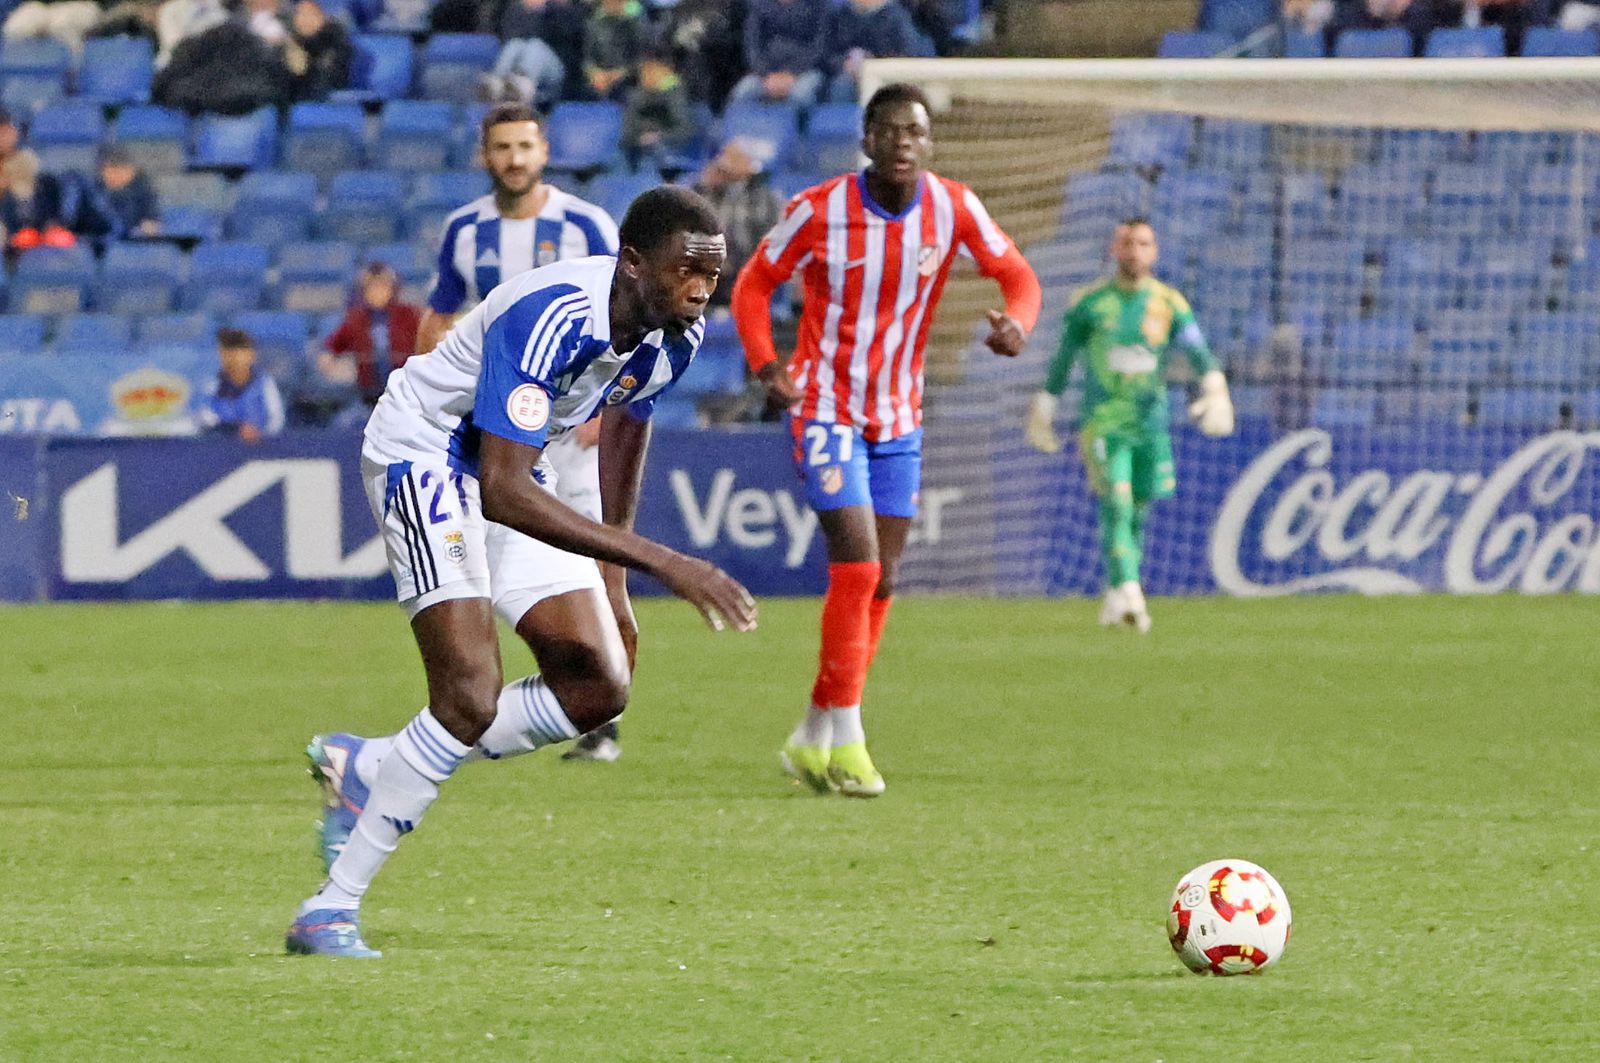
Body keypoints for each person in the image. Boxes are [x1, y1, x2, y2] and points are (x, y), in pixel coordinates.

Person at [285, 187, 756, 958]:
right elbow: (502, 489)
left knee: (600, 684)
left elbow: (627, 426)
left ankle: (368, 765)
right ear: (633, 263)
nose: (703, 289)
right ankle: (329, 909)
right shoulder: (555, 312)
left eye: (713, 273)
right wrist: (666, 560)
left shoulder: (678, 333)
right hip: (427, 451)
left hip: (508, 471)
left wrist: (614, 570)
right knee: (468, 693)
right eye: (687, 271)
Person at [731, 82, 1041, 798]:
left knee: (885, 578)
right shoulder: (817, 211)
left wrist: (1018, 323)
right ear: (867, 140)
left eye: (917, 131)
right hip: (825, 406)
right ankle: (850, 737)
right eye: (891, 130)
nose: (905, 141)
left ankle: (813, 731)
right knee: (860, 565)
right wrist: (765, 363)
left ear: (929, 143)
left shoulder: (954, 207)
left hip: (898, 416)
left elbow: (1016, 274)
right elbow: (753, 284)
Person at [420, 101, 628, 761]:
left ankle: (600, 717)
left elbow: (624, 324)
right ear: (485, 156)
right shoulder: (464, 231)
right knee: (482, 571)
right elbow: (437, 318)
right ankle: (487, 704)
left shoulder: (585, 225)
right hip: (488, 439)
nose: (515, 158)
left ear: (544, 153)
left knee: (600, 568)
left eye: (525, 146)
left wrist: (603, 406)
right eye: (502, 147)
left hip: (566, 435)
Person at [1023, 218, 1234, 633]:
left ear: (1154, 252)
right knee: (1116, 502)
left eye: (1143, 243)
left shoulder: (1169, 303)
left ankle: (1117, 593)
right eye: (1127, 243)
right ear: (1113, 250)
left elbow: (1197, 349)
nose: (1134, 251)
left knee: (1136, 511)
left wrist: (1215, 387)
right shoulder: (1090, 303)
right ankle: (1131, 591)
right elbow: (1064, 358)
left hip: (1151, 423)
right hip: (1103, 423)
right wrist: (1045, 405)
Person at [691, 137, 781, 311]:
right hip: (713, 268)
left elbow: (768, 243)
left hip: (747, 268)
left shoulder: (766, 198)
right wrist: (702, 186)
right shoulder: (707, 191)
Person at [316, 262, 420, 408]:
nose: (377, 292)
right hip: (366, 392)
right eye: (372, 287)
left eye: (382, 286)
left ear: (392, 289)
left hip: (406, 392)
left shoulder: (409, 315)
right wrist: (331, 360)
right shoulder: (355, 318)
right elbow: (332, 347)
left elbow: (429, 344)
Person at [731, 0, 829, 107]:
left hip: (806, 71)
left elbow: (820, 47)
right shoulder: (759, 6)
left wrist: (792, 73)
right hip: (766, 74)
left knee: (800, 96)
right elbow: (752, 47)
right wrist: (767, 74)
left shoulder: (817, 5)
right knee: (744, 92)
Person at [196, 327, 286, 442]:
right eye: (229, 355)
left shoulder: (264, 382)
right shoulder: (213, 384)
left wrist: (259, 432)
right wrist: (235, 429)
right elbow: (203, 417)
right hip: (221, 444)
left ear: (252, 356)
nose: (235, 360)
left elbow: (277, 418)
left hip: (260, 447)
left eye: (240, 354)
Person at [824, 0, 924, 104]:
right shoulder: (840, 15)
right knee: (841, 86)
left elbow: (907, 53)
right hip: (846, 74)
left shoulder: (896, 16)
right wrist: (844, 62)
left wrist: (872, 64)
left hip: (885, 75)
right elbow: (827, 52)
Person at [620, 42, 692, 171]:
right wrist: (636, 140)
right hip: (636, 152)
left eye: (653, 68)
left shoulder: (675, 93)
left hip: (666, 150)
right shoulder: (635, 94)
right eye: (644, 68)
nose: (647, 73)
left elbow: (685, 130)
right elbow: (627, 132)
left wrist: (658, 136)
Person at [70, 144, 160, 245]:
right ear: (101, 171)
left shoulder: (144, 192)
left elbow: (151, 220)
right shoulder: (91, 192)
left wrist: (148, 226)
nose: (115, 176)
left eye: (120, 170)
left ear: (131, 171)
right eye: (110, 170)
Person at [0, 149, 74, 252]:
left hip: (41, 242)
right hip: (11, 246)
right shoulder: (7, 198)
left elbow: (53, 219)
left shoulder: (47, 188)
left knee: (60, 238)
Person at [282, 0, 352, 102]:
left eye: (312, 14)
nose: (306, 20)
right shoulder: (288, 41)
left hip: (324, 104)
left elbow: (329, 79)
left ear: (323, 17)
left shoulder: (336, 41)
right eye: (300, 14)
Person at [581, 0, 647, 101]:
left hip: (627, 80)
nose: (612, 4)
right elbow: (587, 57)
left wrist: (619, 73)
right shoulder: (593, 26)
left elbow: (641, 59)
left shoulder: (635, 28)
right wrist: (594, 73)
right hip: (598, 79)